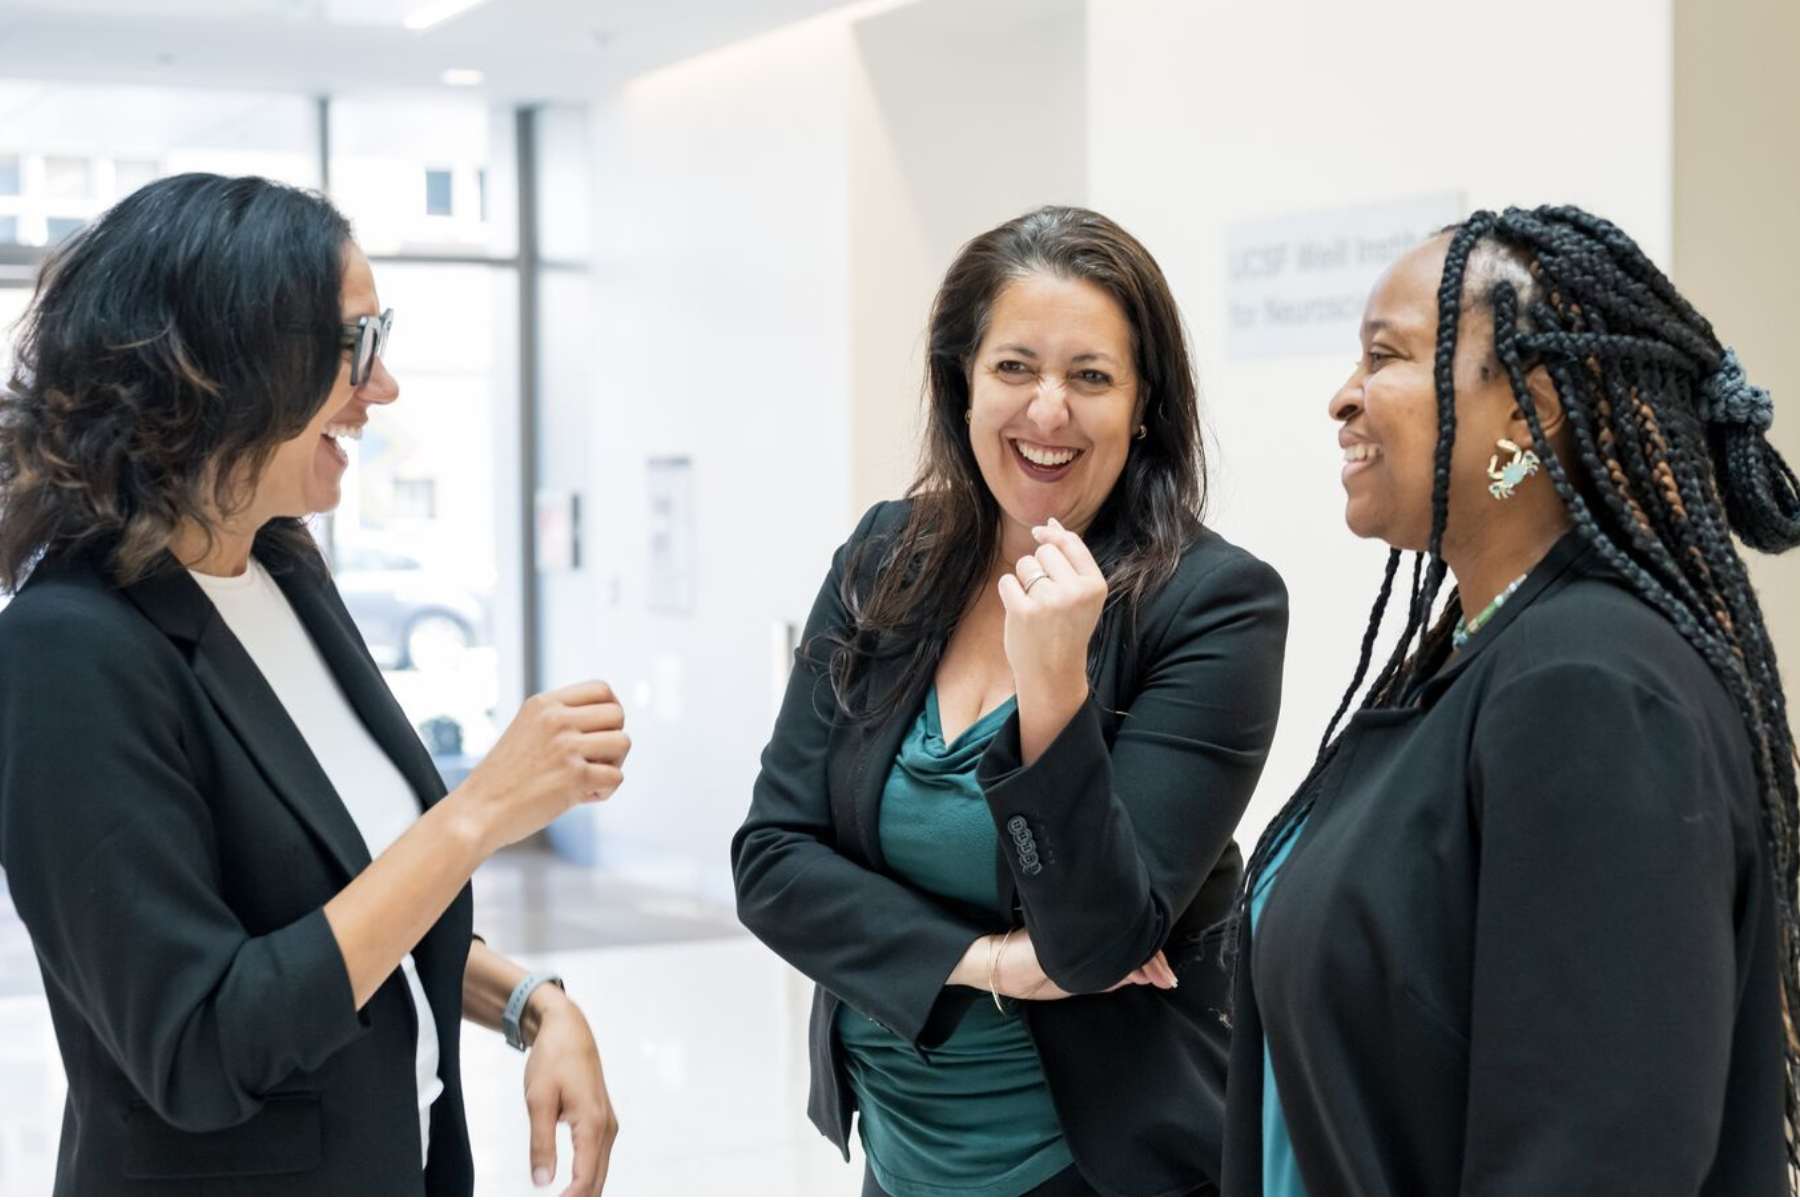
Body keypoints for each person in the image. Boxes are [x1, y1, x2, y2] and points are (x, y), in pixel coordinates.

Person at [0, 174, 628, 1195]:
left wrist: (529, 1003)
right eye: (355, 345)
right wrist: (476, 813)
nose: (382, 388)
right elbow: (202, 1045)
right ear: (223, 363)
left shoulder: (281, 563)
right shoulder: (69, 650)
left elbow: (345, 906)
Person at [1221, 206, 1799, 1194]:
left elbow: (1593, 1162)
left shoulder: (1592, 691)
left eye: (1385, 357)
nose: (1343, 400)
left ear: (1530, 409)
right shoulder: (1468, 660)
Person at [733, 205, 1289, 1196]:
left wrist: (1053, 687)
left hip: (1093, 1163)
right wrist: (989, 960)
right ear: (963, 381)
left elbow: (1099, 940)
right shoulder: (884, 556)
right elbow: (772, 865)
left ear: (1145, 406)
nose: (1047, 413)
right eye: (1015, 368)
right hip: (900, 1150)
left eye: (1091, 376)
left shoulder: (1215, 607)